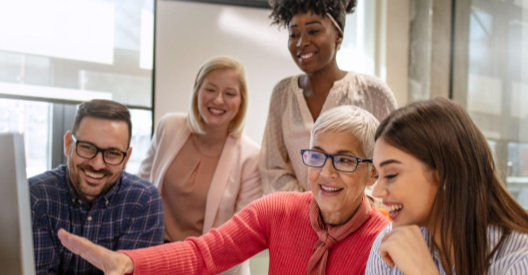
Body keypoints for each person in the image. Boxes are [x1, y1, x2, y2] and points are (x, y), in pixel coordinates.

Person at [57, 106, 389, 275]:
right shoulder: (278, 210)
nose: (326, 173)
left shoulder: (385, 241)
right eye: (317, 156)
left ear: (372, 171)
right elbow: (205, 253)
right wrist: (128, 263)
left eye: (344, 160)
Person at [365, 98, 528, 275]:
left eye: (391, 175)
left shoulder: (523, 261)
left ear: (444, 175)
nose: (377, 192)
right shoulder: (388, 245)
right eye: (378, 175)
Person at [138, 56, 261, 275]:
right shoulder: (169, 126)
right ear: (197, 91)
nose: (218, 100)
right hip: (156, 257)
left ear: (241, 101)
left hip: (210, 265)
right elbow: (141, 189)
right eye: (210, 89)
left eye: (230, 93)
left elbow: (241, 234)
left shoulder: (251, 156)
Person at [260, 0, 398, 194]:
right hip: (298, 217)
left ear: (338, 36)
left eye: (314, 31)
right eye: (294, 34)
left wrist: (347, 207)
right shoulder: (282, 94)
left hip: (363, 218)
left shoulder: (373, 93)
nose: (302, 43)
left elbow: (392, 163)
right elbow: (272, 168)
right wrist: (309, 207)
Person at [29, 99, 164, 275]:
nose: (98, 164)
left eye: (113, 153)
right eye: (87, 147)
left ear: (126, 158)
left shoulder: (143, 201)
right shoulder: (36, 197)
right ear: (68, 143)